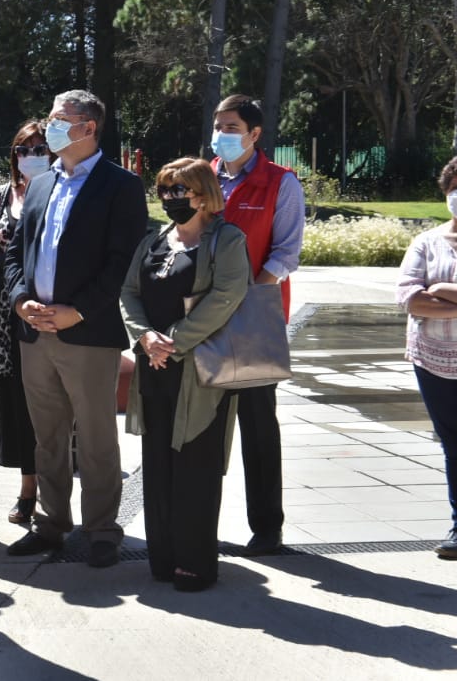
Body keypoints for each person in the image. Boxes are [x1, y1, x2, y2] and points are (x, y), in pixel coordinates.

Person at [2, 89, 148, 568]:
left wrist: (76, 311)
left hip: (85, 332)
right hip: (34, 330)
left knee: (97, 435)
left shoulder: (121, 186)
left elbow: (119, 264)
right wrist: (21, 299)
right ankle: (50, 524)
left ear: (88, 127)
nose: (50, 126)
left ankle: (102, 529)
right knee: (47, 436)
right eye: (50, 117)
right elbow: (15, 253)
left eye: (60, 119)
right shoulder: (42, 182)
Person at [121, 158, 250, 590]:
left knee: (195, 464)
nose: (172, 198)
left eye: (180, 190)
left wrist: (173, 341)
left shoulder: (226, 239)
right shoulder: (154, 240)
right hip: (154, 366)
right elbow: (129, 292)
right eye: (165, 190)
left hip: (199, 370)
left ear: (203, 194)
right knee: (158, 463)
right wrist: (145, 338)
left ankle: (194, 562)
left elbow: (228, 296)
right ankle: (163, 557)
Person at [211, 94, 305, 555]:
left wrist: (250, 298)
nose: (222, 135)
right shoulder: (204, 177)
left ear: (254, 134)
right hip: (203, 320)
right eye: (218, 126)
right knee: (202, 426)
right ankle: (198, 520)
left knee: (257, 425)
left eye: (231, 127)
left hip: (253, 321)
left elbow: (286, 253)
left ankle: (267, 527)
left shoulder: (280, 183)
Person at [396, 151, 457, 560]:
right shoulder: (426, 242)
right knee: (455, 445)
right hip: (433, 361)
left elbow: (428, 294)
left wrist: (438, 288)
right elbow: (409, 297)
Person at [0, 120, 51, 524]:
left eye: (41, 149)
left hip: (49, 311)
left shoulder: (61, 192)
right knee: (16, 402)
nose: (32, 156)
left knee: (52, 402)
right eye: (25, 150)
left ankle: (58, 485)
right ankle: (28, 487)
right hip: (8, 318)